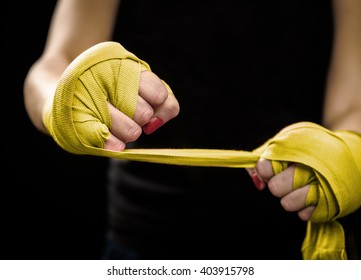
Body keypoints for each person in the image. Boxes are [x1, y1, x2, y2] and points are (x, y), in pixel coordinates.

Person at [23, 0, 361, 260]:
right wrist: (61, 102)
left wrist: (349, 150)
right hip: (141, 242)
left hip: (293, 237)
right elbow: (53, 63)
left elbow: (353, 104)